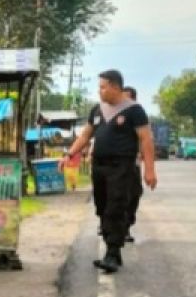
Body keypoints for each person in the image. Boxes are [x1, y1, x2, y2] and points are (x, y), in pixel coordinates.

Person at [60, 71, 157, 273]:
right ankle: (111, 250)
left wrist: (150, 170)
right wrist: (69, 155)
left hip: (122, 166)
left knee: (116, 207)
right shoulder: (97, 110)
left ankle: (112, 252)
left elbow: (146, 140)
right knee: (102, 206)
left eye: (103, 87)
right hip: (99, 166)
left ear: (115, 86)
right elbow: (85, 135)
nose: (100, 91)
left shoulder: (134, 110)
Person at [122, 86, 143, 243]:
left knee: (134, 195)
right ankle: (108, 225)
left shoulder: (138, 116)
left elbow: (146, 139)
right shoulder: (113, 115)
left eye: (128, 98)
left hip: (133, 164)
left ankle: (126, 226)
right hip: (115, 165)